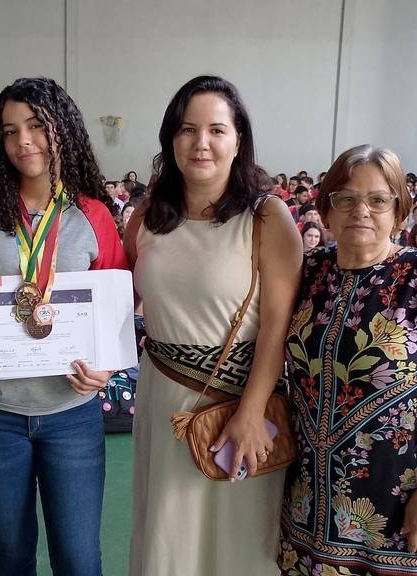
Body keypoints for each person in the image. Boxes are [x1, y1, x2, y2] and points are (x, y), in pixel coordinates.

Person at [0, 76, 125, 576]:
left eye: (37, 125)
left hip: (72, 415)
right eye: (9, 131)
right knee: (12, 557)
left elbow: (116, 303)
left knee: (79, 560)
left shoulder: (93, 215)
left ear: (64, 129)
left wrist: (106, 368)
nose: (23, 141)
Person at [124, 75, 302, 575]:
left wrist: (251, 411)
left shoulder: (267, 218)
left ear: (238, 140)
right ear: (171, 139)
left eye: (217, 130)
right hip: (163, 403)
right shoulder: (146, 219)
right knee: (167, 534)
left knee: (238, 537)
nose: (201, 142)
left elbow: (276, 327)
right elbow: (120, 303)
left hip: (239, 405)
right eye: (187, 129)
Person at [281, 144, 417, 576]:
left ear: (399, 212)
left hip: (394, 506)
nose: (361, 211)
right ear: (326, 210)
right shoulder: (308, 271)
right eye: (346, 199)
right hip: (303, 502)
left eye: (378, 200)